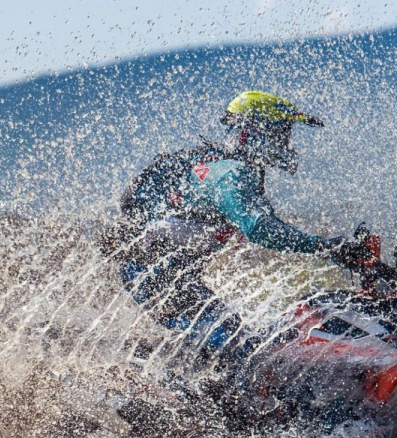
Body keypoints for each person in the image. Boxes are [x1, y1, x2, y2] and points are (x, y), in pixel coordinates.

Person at [112, 90, 354, 372]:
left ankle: (158, 364)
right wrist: (326, 247)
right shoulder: (230, 173)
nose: (285, 143)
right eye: (280, 133)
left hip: (161, 275)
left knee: (237, 338)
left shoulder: (222, 166)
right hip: (153, 275)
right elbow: (259, 228)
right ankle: (156, 377)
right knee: (236, 349)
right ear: (252, 131)